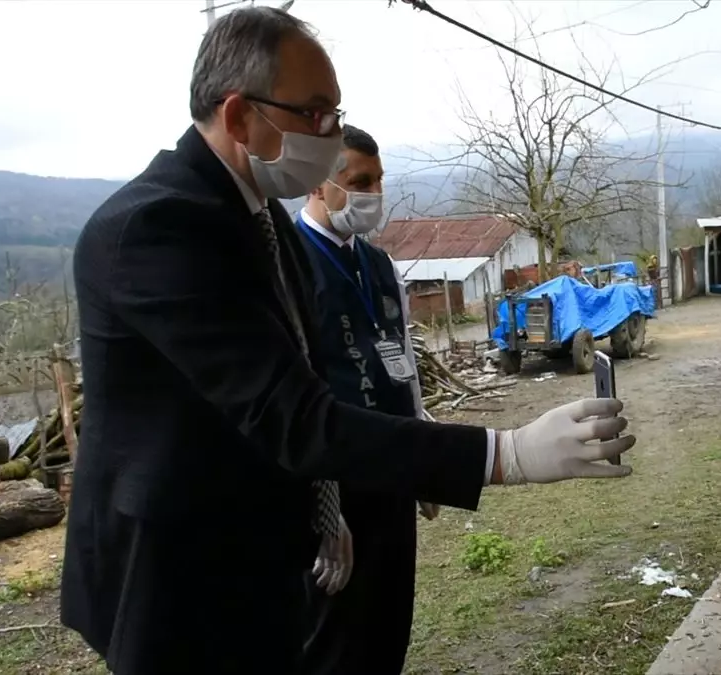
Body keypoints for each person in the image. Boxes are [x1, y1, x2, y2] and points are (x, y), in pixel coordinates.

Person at [61, 8, 634, 674]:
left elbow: (310, 376)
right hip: (177, 573)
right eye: (316, 114)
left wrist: (324, 501)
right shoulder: (157, 229)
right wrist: (507, 452)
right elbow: (291, 415)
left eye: (336, 113)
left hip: (261, 553)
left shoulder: (262, 222)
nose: (331, 137)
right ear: (242, 115)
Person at [291, 125, 430, 673]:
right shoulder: (293, 265)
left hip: (392, 469)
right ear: (317, 184)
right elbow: (293, 394)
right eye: (358, 181)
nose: (373, 193)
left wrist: (423, 455)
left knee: (390, 620)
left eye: (378, 180)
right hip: (335, 484)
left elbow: (406, 364)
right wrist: (324, 509)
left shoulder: (378, 265)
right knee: (336, 637)